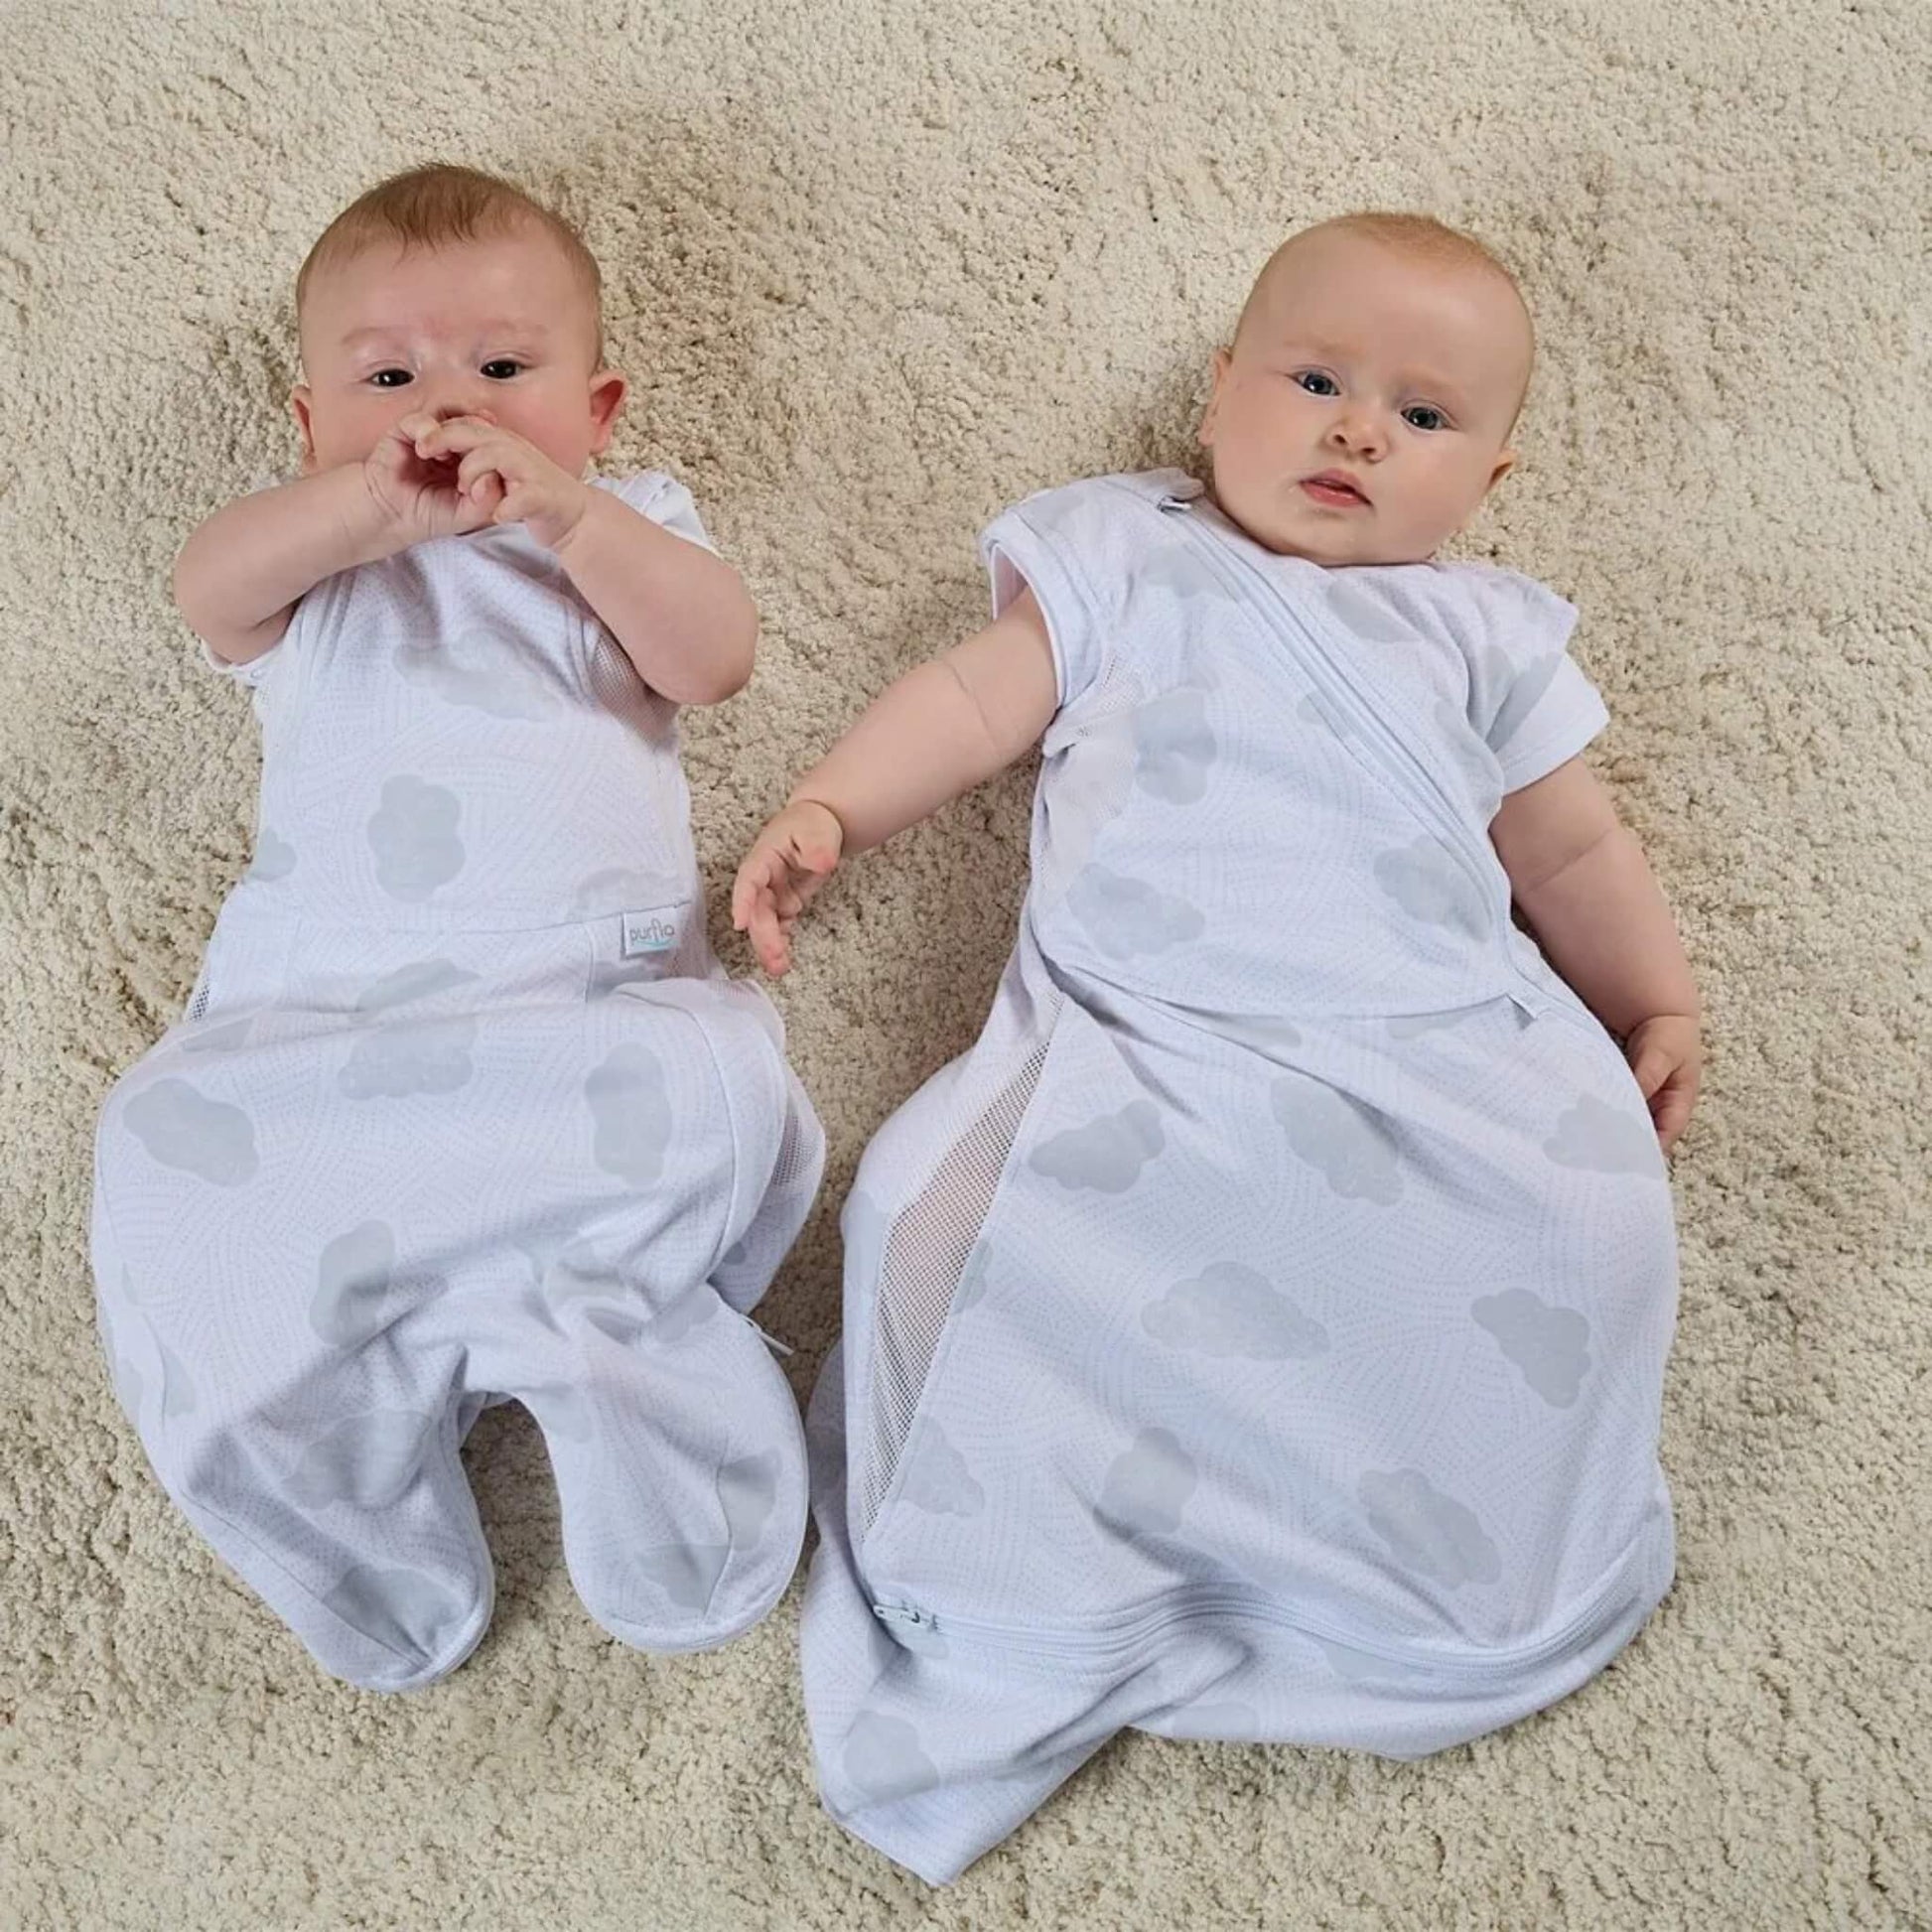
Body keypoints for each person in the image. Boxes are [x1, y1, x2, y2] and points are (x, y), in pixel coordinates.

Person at [735, 211, 1703, 1882]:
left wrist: (1652, 999)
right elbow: (972, 706)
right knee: (921, 1209)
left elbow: (1566, 855)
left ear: (1489, 478)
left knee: (1594, 1215)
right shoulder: (1120, 555)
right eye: (1315, 378)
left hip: (1426, 1048)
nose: (1351, 431)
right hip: (1142, 1047)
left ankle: (1446, 1552)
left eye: (1420, 416)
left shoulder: (1481, 634)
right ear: (1216, 393)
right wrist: (833, 806)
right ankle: (1025, 1578)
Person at [91, 164, 823, 1692]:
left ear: (598, 406)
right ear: (307, 422)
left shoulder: (623, 528)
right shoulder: (315, 571)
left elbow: (713, 659)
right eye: (387, 376)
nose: (448, 407)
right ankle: (345, 1492)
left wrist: (573, 517)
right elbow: (203, 591)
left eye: (504, 371)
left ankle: (592, 1334)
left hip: (577, 1007)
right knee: (163, 1144)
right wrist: (357, 509)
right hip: (323, 1022)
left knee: (711, 1087)